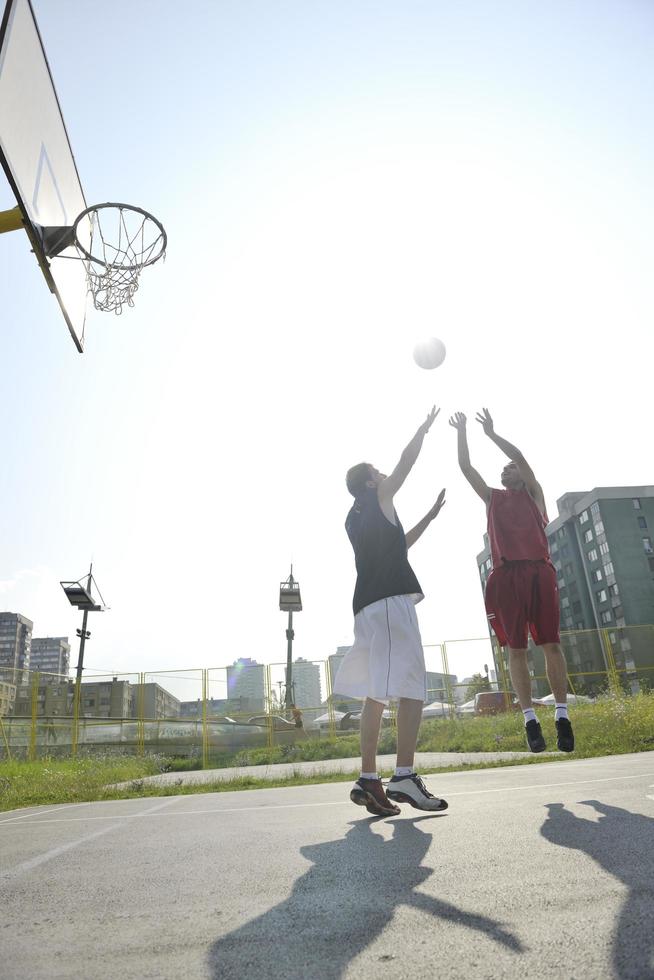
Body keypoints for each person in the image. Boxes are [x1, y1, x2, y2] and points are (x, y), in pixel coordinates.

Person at [335, 406, 449, 816]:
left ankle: (369, 779)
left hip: (368, 606)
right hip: (388, 605)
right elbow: (406, 463)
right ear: (370, 480)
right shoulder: (378, 495)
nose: (385, 475)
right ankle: (403, 775)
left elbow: (397, 549)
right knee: (411, 687)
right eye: (378, 472)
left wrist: (429, 519)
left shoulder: (355, 516)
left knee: (377, 693)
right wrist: (422, 429)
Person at [449, 408, 574, 754]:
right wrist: (462, 432)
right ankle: (530, 720)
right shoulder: (493, 498)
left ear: (522, 474)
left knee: (551, 644)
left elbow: (519, 455)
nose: (506, 469)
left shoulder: (534, 494)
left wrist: (491, 434)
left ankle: (562, 717)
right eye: (503, 469)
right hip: (506, 576)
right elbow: (465, 467)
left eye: (510, 467)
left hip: (538, 570)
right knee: (516, 650)